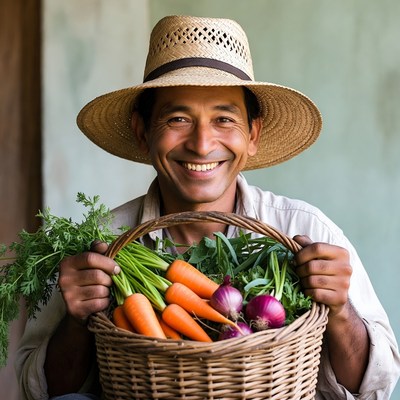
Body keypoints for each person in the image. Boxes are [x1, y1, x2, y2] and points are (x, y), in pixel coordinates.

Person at [15, 15, 399, 400]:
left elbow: (375, 387)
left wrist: (340, 310)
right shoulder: (100, 245)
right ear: (142, 131)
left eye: (223, 119)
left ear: (253, 135)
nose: (201, 144)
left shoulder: (304, 229)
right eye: (178, 118)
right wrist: (77, 321)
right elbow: (40, 390)